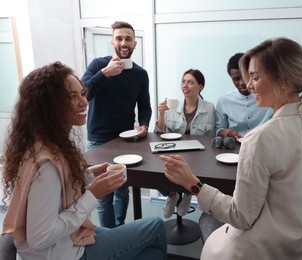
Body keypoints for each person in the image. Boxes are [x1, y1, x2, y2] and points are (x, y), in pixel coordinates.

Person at [160, 37, 302, 259]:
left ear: (283, 81)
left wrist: (192, 183)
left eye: (255, 77)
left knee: (207, 220)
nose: (248, 85)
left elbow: (241, 217)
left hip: (268, 250)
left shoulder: (260, 138)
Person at [1, 62, 167, 260]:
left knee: (151, 254)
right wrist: (92, 194)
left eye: (82, 93)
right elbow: (40, 238)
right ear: (48, 105)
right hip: (62, 253)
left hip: (67, 240)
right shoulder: (45, 166)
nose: (83, 102)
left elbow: (59, 193)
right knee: (155, 226)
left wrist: (88, 175)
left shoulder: (45, 144)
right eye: (72, 97)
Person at [81, 21, 152, 228]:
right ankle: (109, 237)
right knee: (103, 198)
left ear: (134, 44)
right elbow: (83, 94)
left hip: (126, 140)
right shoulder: (97, 65)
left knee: (122, 190)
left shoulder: (140, 74)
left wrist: (144, 125)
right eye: (119, 38)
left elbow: (145, 107)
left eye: (128, 38)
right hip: (98, 140)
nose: (123, 42)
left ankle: (119, 229)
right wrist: (105, 73)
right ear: (112, 42)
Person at [155, 69, 215, 218]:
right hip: (175, 152)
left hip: (199, 156)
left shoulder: (209, 108)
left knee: (194, 171)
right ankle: (172, 194)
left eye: (190, 82)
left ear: (200, 87)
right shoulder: (172, 106)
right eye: (183, 82)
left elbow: (212, 137)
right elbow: (160, 134)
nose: (185, 85)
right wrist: (161, 114)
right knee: (155, 171)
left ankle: (188, 193)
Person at [216, 53, 273, 141]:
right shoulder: (223, 101)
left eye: (244, 76)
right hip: (234, 146)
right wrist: (224, 132)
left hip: (262, 145)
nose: (242, 82)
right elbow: (218, 129)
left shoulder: (268, 97)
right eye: (236, 79)